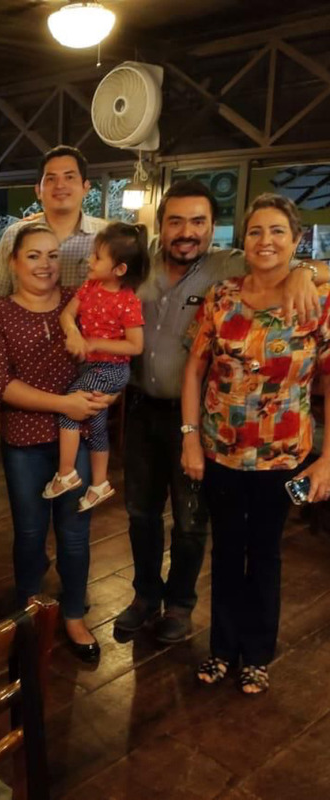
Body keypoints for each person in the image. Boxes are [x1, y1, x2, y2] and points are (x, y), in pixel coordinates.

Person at [117, 180, 325, 645]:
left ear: (214, 227)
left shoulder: (229, 265)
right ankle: (145, 596)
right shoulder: (138, 263)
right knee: (140, 513)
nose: (186, 232)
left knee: (191, 520)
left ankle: (179, 604)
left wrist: (304, 270)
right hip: (142, 408)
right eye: (176, 221)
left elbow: (281, 262)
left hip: (200, 418)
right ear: (161, 224)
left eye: (198, 222)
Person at [181, 193, 330, 694]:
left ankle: (258, 654)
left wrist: (328, 460)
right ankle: (222, 649)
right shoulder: (222, 296)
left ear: (296, 239)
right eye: (256, 231)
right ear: (243, 241)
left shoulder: (318, 300)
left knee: (265, 553)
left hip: (283, 456)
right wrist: (190, 440)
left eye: (277, 231)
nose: (266, 241)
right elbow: (194, 369)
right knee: (225, 550)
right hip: (221, 449)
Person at [0, 222, 112, 663]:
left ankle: (73, 615)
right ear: (13, 262)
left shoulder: (80, 301)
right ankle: (29, 612)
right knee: (30, 532)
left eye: (53, 255)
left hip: (81, 436)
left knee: (75, 532)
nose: (45, 264)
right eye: (33, 255)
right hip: (25, 439)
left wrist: (105, 392)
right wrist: (63, 404)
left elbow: (113, 351)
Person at [44, 223, 148, 510]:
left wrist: (94, 343)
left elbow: (135, 346)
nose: (90, 260)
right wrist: (73, 333)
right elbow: (67, 315)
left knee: (70, 407)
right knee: (96, 424)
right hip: (91, 367)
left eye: (98, 257)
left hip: (111, 370)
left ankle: (66, 473)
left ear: (120, 269)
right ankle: (100, 484)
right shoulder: (90, 287)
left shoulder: (128, 301)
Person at [0, 145, 107, 296]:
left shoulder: (106, 236)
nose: (60, 185)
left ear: (85, 187)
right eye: (51, 179)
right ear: (38, 191)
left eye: (69, 177)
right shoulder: (14, 235)